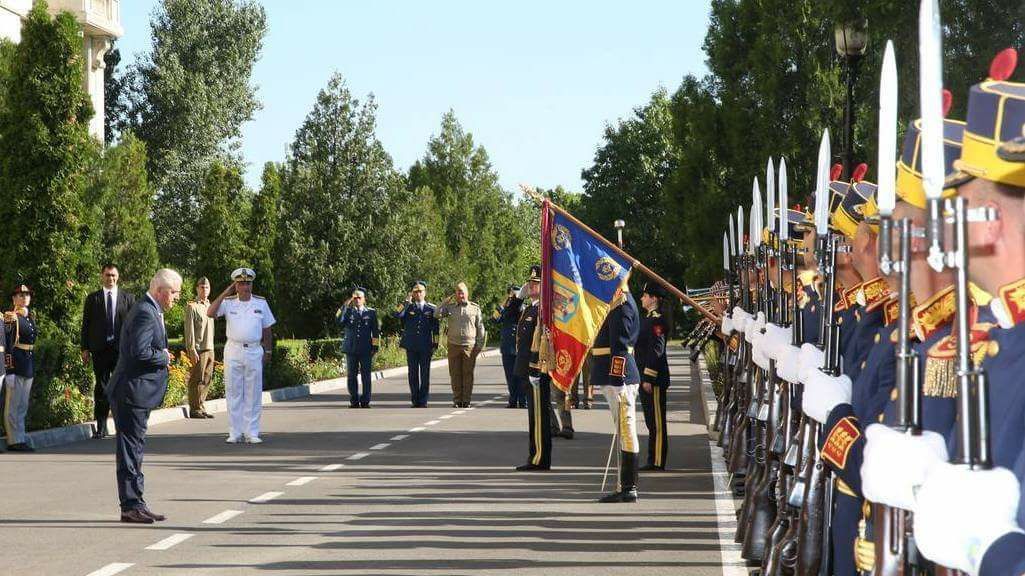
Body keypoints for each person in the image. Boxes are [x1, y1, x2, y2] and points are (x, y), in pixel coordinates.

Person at [106, 269, 181, 523]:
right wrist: (164, 356)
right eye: (174, 292)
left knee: (135, 449)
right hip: (131, 392)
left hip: (135, 392)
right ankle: (130, 506)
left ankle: (137, 502)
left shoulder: (150, 310)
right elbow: (139, 352)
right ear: (160, 291)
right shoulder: (145, 312)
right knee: (130, 450)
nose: (177, 297)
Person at [208, 268, 276, 442]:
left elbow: (267, 328)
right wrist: (225, 292)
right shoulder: (228, 302)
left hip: (254, 350)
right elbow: (210, 312)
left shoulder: (260, 303)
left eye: (248, 283)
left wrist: (268, 351)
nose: (246, 287)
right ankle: (235, 432)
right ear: (236, 286)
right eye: (241, 283)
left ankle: (251, 432)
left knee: (253, 392)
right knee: (233, 391)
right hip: (233, 350)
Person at [593, 285, 641, 502]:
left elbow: (620, 345)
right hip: (614, 374)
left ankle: (629, 487)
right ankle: (625, 484)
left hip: (620, 377)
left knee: (626, 430)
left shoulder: (622, 303)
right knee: (623, 430)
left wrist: (617, 379)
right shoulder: (616, 301)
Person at [81, 264, 136, 439]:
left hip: (121, 351)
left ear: (118, 277)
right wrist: (84, 348)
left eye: (113, 275)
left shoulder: (128, 298)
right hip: (100, 350)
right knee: (102, 388)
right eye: (107, 275)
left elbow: (134, 326)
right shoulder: (93, 298)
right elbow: (86, 324)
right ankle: (101, 427)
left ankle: (124, 427)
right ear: (102, 276)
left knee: (122, 388)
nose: (110, 278)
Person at [512, 268, 551, 471]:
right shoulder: (529, 308)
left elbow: (543, 341)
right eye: (530, 283)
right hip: (526, 368)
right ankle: (536, 455)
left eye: (536, 283)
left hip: (535, 369)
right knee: (534, 416)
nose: (532, 286)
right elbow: (509, 315)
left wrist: (536, 368)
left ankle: (539, 458)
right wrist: (519, 297)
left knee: (538, 416)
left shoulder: (543, 311)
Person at [637, 282, 670, 471]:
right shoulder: (648, 319)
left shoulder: (657, 321)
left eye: (645, 295)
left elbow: (657, 350)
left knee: (656, 422)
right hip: (644, 377)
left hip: (653, 379)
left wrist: (649, 376)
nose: (642, 298)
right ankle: (653, 458)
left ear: (654, 299)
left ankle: (657, 460)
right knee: (651, 421)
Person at [438, 282, 486, 408]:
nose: (460, 295)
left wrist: (479, 346)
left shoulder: (475, 308)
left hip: (469, 346)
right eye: (458, 293)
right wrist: (444, 303)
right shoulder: (450, 308)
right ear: (455, 294)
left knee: (467, 374)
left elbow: (480, 328)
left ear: (467, 294)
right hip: (453, 345)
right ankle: (457, 400)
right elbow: (436, 314)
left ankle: (466, 401)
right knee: (455, 374)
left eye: (463, 293)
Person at [3, 284, 37, 452]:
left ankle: (20, 437)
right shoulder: (12, 317)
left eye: (27, 295)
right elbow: (8, 345)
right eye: (20, 295)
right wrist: (9, 370)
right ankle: (13, 440)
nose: (24, 298)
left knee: (22, 404)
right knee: (13, 405)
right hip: (16, 364)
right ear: (14, 299)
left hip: (27, 364)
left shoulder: (29, 317)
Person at [394, 281, 438, 407]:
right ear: (412, 294)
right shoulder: (408, 307)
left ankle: (423, 401)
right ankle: (415, 399)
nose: (418, 293)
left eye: (420, 291)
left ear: (425, 293)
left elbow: (436, 328)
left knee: (425, 374)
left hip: (425, 346)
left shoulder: (431, 309)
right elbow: (397, 314)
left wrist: (435, 344)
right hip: (411, 346)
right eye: (415, 291)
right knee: (412, 374)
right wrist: (406, 302)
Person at [336, 287, 379, 408]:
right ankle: (354, 400)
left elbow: (375, 331)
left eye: (359, 298)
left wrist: (375, 346)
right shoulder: (348, 312)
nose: (357, 300)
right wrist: (345, 305)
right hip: (351, 348)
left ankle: (365, 401)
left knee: (366, 376)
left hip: (366, 349)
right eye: (355, 298)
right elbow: (338, 320)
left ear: (364, 299)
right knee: (351, 376)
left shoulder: (371, 312)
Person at [184, 277, 216, 419]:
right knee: (197, 379)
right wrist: (191, 349)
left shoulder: (210, 306)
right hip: (199, 349)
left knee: (207, 379)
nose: (204, 290)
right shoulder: (192, 307)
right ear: (197, 289)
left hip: (210, 348)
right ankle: (194, 409)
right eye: (202, 287)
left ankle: (201, 406)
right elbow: (189, 330)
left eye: (207, 287)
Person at [494, 284, 527, 408]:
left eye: (515, 294)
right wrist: (504, 304)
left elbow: (518, 310)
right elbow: (494, 319)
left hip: (520, 346)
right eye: (511, 294)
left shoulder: (524, 308)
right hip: (507, 347)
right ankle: (512, 400)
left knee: (521, 375)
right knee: (510, 375)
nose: (513, 297)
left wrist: (516, 301)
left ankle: (523, 400)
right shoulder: (505, 309)